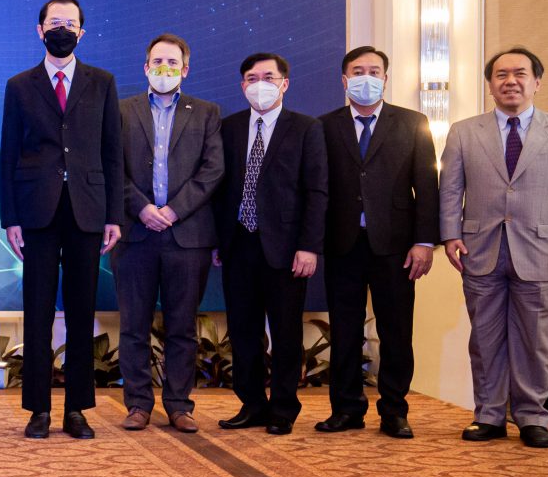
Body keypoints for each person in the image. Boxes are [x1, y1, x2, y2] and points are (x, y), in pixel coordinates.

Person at [440, 47, 548, 449]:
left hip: (542, 251)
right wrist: (450, 234)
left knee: (535, 340)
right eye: (501, 74)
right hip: (479, 250)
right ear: (490, 85)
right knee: (484, 339)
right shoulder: (463, 132)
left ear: (536, 82)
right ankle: (489, 416)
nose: (511, 81)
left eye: (520, 74)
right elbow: (450, 190)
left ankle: (532, 417)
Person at [0, 0, 125, 440]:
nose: (62, 30)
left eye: (70, 24)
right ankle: (38, 409)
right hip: (36, 211)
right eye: (55, 23)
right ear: (40, 30)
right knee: (36, 311)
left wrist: (114, 214)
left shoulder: (102, 82)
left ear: (82, 32)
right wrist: (10, 218)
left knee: (80, 311)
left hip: (87, 210)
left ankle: (76, 409)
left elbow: (113, 152)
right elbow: (9, 153)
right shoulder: (20, 85)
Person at [317, 46, 439, 439]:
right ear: (344, 79)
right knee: (345, 331)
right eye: (358, 71)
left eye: (374, 71)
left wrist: (424, 242)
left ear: (385, 78)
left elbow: (427, 187)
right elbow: (317, 189)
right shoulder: (323, 126)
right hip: (342, 244)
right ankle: (346, 409)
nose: (366, 78)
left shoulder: (413, 123)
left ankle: (394, 411)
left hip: (397, 247)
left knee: (396, 332)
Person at [111, 33, 223, 434]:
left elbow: (213, 170)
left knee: (182, 326)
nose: (165, 68)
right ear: (145, 68)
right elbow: (112, 167)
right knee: (133, 326)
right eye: (157, 61)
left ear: (185, 70)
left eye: (173, 62)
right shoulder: (121, 111)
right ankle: (138, 404)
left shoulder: (207, 113)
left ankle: (179, 405)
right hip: (135, 233)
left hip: (187, 235)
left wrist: (173, 210)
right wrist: (142, 208)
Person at [213, 53, 328, 436]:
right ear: (242, 85)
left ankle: (283, 407)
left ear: (284, 83)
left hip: (287, 248)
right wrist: (218, 240)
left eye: (268, 77)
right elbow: (220, 189)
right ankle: (252, 404)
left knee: (285, 332)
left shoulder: (306, 128)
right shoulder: (228, 127)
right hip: (238, 244)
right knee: (242, 331)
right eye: (251, 78)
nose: (259, 84)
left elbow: (316, 191)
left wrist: (309, 246)